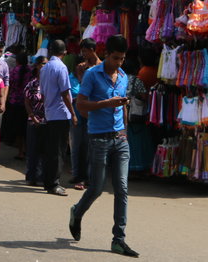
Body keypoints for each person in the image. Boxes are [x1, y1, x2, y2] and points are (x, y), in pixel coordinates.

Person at [69, 35, 138, 258]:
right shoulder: (92, 75)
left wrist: (124, 131)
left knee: (122, 188)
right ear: (106, 54)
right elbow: (80, 105)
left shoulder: (124, 77)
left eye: (122, 59)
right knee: (97, 188)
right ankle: (77, 212)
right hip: (98, 138)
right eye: (116, 58)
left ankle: (119, 239)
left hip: (120, 139)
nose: (119, 62)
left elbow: (123, 107)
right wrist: (105, 105)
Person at [39, 39, 77, 196]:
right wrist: (73, 113)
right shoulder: (61, 67)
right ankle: (53, 183)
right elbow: (65, 93)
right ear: (65, 52)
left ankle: (49, 181)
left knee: (51, 150)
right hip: (60, 113)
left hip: (50, 112)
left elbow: (42, 93)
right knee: (59, 151)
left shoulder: (45, 67)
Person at [70, 38, 101, 190]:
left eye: (84, 51)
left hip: (93, 109)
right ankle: (78, 174)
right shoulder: (82, 67)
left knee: (90, 145)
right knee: (78, 144)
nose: (82, 54)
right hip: (81, 108)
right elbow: (83, 88)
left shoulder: (101, 67)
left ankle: (88, 177)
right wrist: (80, 73)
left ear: (92, 50)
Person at [24, 56, 47, 186]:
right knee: (33, 150)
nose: (44, 66)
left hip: (47, 120)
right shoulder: (32, 84)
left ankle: (42, 177)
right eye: (43, 64)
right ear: (37, 66)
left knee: (45, 150)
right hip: (33, 120)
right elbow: (27, 102)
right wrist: (32, 116)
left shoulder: (50, 83)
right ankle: (31, 176)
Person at [8, 52, 30, 160]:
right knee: (26, 128)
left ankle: (20, 151)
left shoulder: (14, 71)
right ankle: (27, 149)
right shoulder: (30, 71)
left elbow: (10, 84)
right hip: (27, 103)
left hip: (15, 102)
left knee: (18, 128)